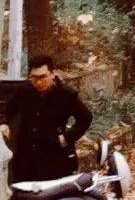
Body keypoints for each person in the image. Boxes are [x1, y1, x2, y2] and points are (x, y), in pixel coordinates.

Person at [1, 54, 92, 184]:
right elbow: (7, 109)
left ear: (52, 74)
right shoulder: (24, 91)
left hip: (54, 158)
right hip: (25, 160)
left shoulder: (66, 95)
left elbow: (85, 118)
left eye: (42, 77)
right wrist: (3, 123)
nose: (38, 82)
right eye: (34, 78)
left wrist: (66, 138)